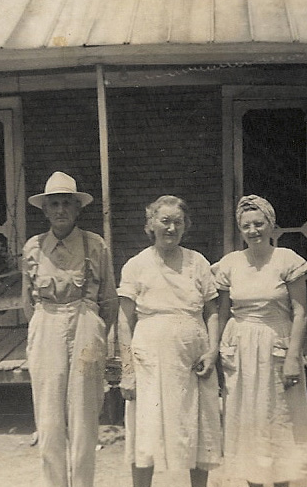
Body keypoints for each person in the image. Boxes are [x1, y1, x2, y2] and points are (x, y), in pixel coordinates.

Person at [116, 195, 222, 487]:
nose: (171, 228)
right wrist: (127, 371)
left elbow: (212, 311)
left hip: (194, 359)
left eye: (178, 222)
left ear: (186, 226)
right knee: (146, 433)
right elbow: (124, 321)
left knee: (199, 428)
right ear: (151, 224)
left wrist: (213, 351)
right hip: (150, 361)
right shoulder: (136, 265)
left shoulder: (197, 262)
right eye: (165, 221)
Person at [21, 171, 118, 487]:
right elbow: (27, 303)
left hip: (85, 324)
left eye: (66, 203)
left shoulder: (95, 245)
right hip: (45, 325)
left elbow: (109, 301)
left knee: (83, 419)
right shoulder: (33, 248)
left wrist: (97, 335)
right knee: (48, 421)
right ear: (45, 210)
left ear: (77, 209)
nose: (60, 210)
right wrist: (42, 329)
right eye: (54, 204)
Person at [212, 195, 307, 487]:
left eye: (259, 224)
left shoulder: (287, 260)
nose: (253, 231)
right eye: (246, 226)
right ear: (239, 229)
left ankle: (282, 481)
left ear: (272, 225)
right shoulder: (231, 263)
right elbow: (221, 312)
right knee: (247, 420)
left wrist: (293, 357)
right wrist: (216, 352)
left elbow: (301, 312)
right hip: (240, 347)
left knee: (280, 418)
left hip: (277, 345)